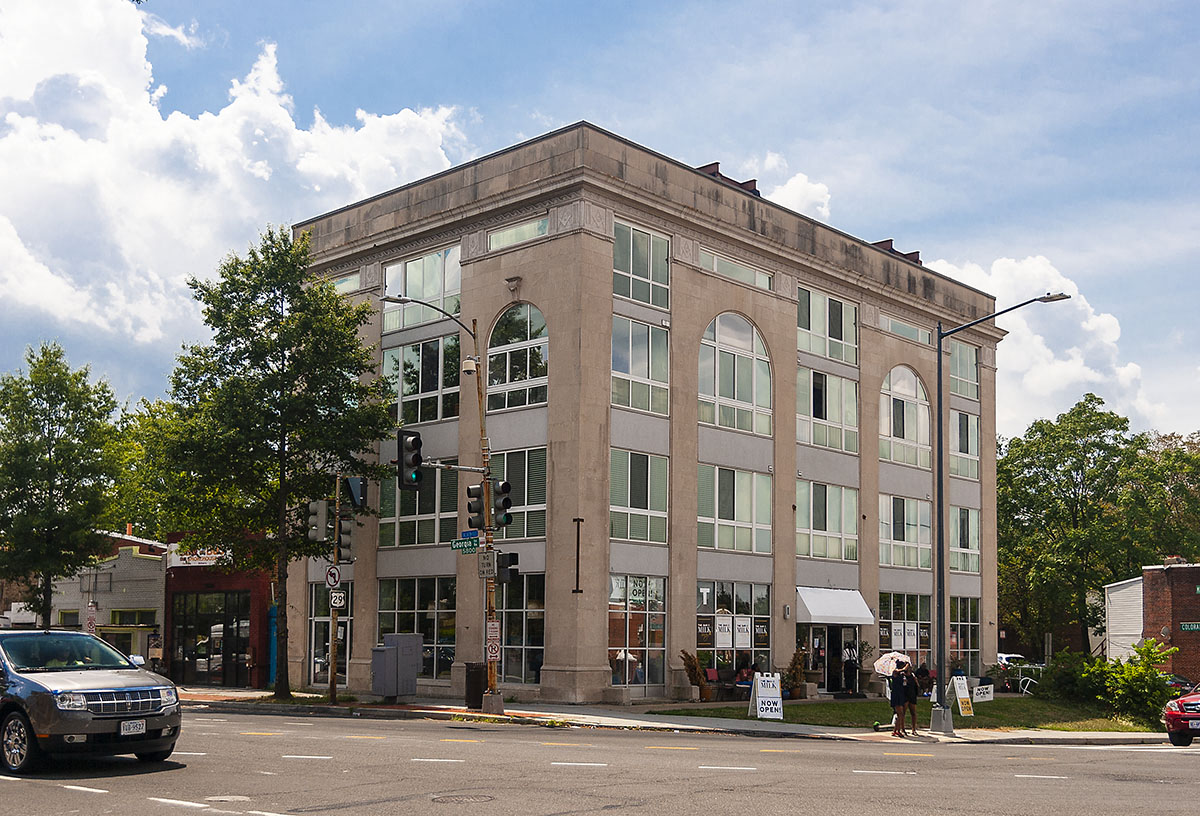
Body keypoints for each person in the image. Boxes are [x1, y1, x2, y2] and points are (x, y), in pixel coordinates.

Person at [889, 660, 909, 736]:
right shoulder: (895, 672)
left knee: (900, 714)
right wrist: (906, 665)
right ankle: (897, 730)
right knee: (900, 713)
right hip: (896, 695)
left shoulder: (901, 674)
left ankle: (896, 730)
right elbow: (903, 669)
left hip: (901, 694)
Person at [904, 662, 921, 734]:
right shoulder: (903, 677)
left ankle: (914, 729)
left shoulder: (913, 676)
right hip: (905, 695)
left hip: (912, 695)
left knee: (913, 712)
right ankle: (902, 728)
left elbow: (917, 687)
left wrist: (916, 681)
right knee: (903, 713)